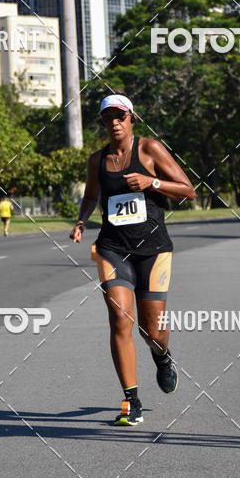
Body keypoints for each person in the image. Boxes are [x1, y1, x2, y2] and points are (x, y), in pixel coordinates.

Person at [70, 93, 195, 426]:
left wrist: (150, 181)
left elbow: (188, 189)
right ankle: (131, 400)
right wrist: (82, 220)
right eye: (108, 117)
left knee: (151, 330)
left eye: (120, 116)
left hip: (153, 249)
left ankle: (163, 357)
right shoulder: (97, 160)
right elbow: (92, 195)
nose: (114, 123)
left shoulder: (149, 149)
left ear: (131, 118)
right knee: (120, 319)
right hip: (112, 247)